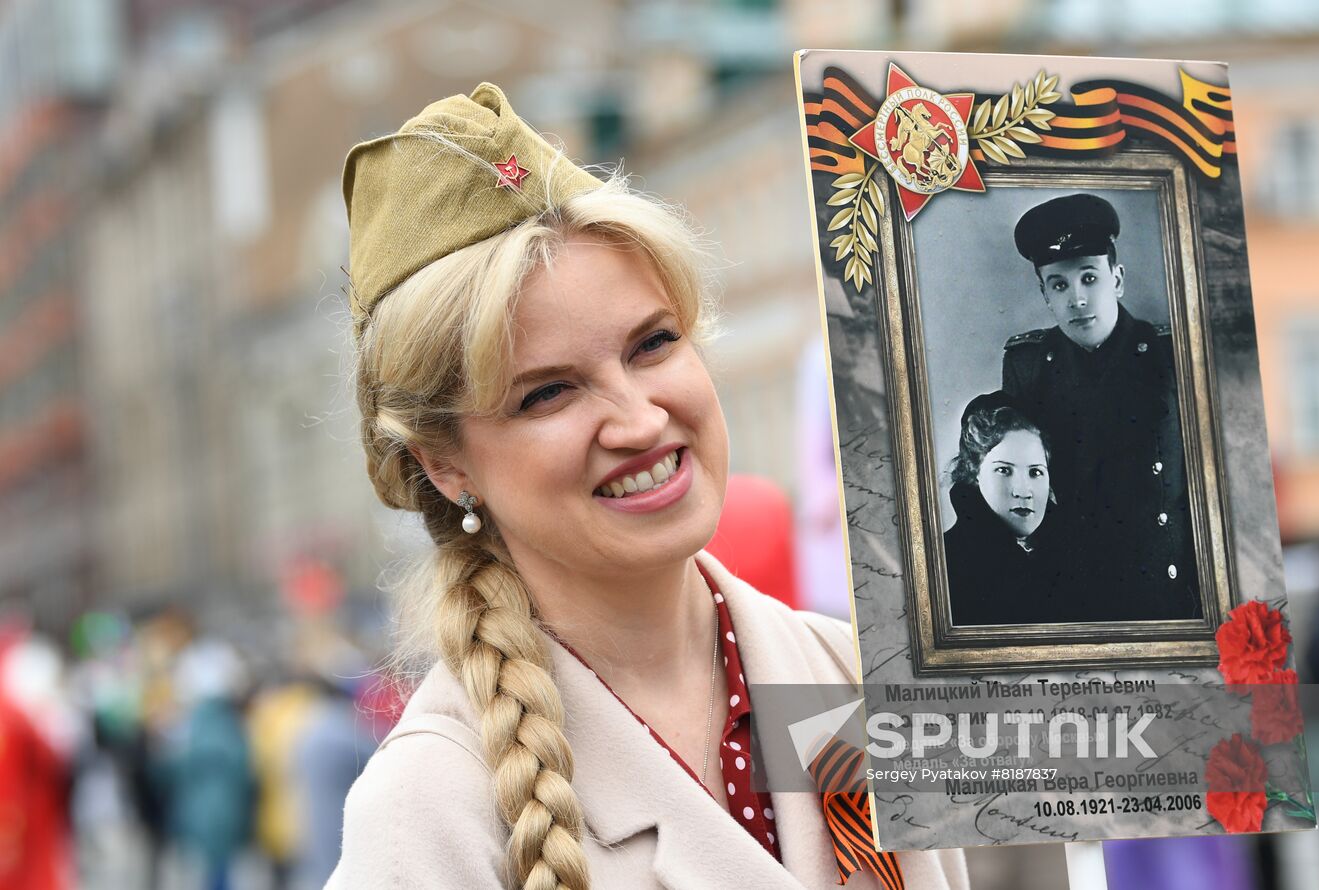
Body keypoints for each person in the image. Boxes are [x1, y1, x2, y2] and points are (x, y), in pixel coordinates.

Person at [328, 85, 967, 890]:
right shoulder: (429, 806)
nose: (638, 420)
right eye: (548, 393)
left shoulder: (844, 675)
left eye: (653, 344)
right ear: (444, 464)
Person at [1002, 193, 1200, 622]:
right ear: (1044, 294)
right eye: (1059, 285)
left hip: (1163, 592)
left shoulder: (1173, 355)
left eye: (1089, 278)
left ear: (1117, 279)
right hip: (1071, 594)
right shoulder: (1028, 366)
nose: (1077, 299)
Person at [943, 392, 1078, 626]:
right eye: (1004, 470)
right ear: (974, 473)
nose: (1023, 491)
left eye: (1035, 472)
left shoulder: (1075, 559)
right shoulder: (945, 563)